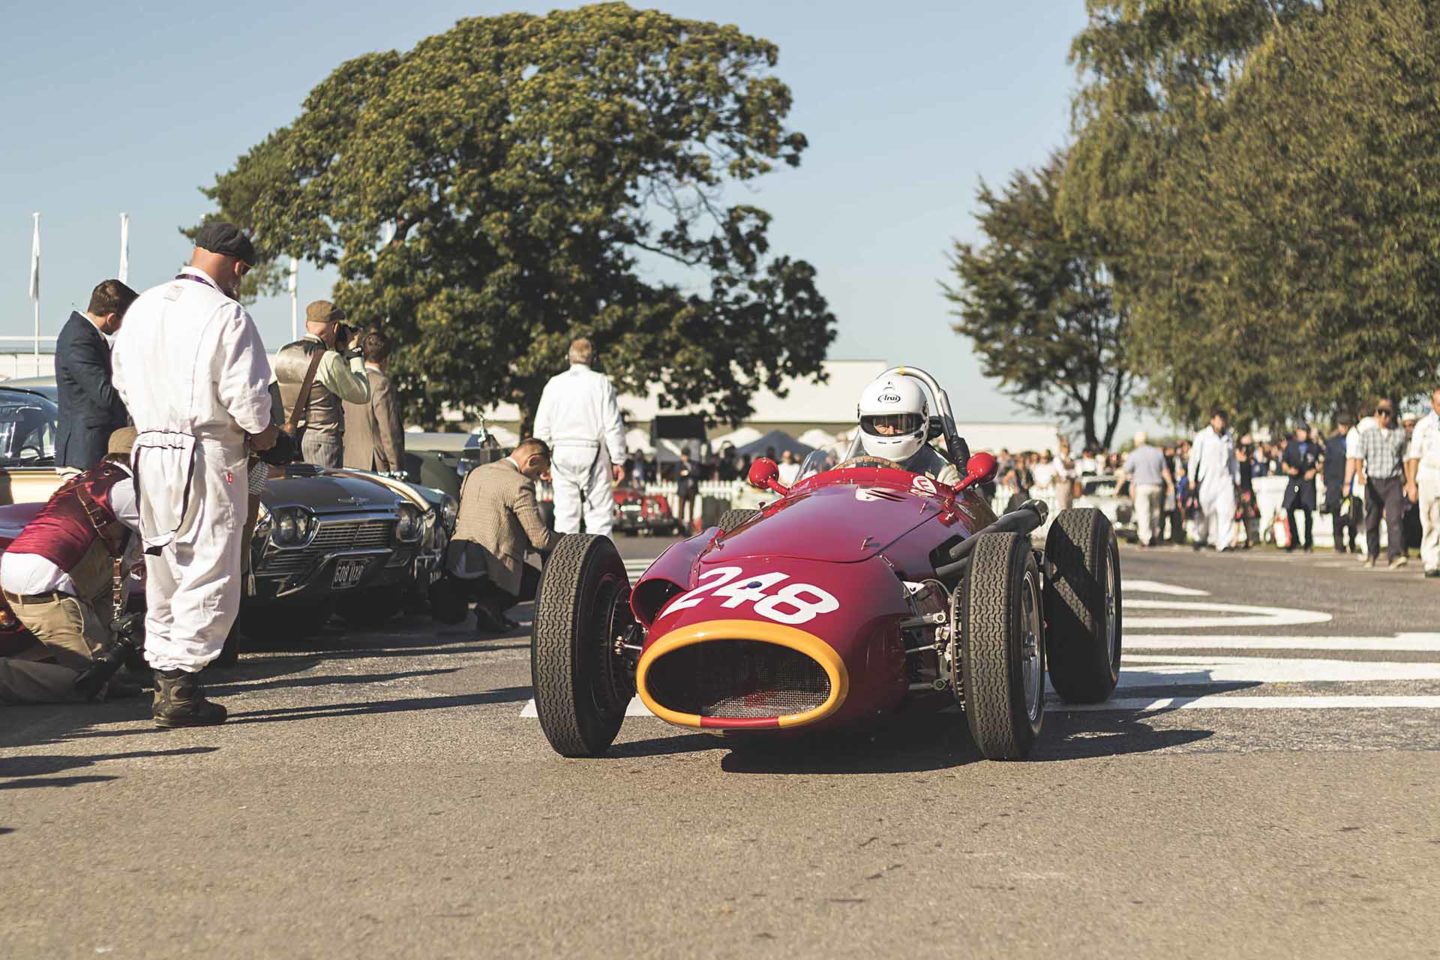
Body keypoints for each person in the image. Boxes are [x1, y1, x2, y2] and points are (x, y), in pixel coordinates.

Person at [111, 221, 278, 727]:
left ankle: (165, 676)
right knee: (210, 563)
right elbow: (247, 399)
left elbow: (120, 376)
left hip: (149, 446)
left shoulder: (142, 307)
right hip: (206, 450)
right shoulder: (226, 313)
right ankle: (182, 684)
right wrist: (265, 434)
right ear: (237, 266)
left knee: (162, 561)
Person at [0, 428, 142, 704]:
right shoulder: (123, 488)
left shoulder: (86, 479)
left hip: (39, 573)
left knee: (112, 674)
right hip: (45, 584)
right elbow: (169, 533)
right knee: (94, 680)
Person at [448, 439, 560, 632]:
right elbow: (540, 539)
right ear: (532, 461)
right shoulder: (520, 484)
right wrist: (566, 539)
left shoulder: (476, 473)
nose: (535, 479)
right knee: (538, 581)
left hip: (456, 560)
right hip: (489, 566)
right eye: (537, 473)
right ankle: (490, 607)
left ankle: (493, 613)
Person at [533, 338, 626, 535]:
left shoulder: (554, 384)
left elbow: (542, 427)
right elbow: (612, 424)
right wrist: (618, 459)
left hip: (561, 451)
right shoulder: (601, 382)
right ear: (593, 358)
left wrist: (543, 460)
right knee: (599, 514)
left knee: (566, 514)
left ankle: (566, 562)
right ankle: (599, 562)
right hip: (592, 449)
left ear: (568, 358)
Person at [55, 279, 137, 476]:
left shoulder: (86, 335)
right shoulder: (79, 338)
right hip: (82, 455)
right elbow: (105, 394)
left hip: (89, 451)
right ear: (111, 318)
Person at [276, 300, 370, 468]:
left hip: (291, 439)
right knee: (324, 492)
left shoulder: (284, 352)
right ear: (334, 327)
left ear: (306, 324)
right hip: (322, 441)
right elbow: (362, 393)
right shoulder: (328, 359)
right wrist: (355, 354)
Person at [855, 375, 959, 484]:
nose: (891, 431)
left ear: (921, 421)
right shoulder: (852, 467)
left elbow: (957, 496)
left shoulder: (941, 471)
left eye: (900, 424)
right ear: (868, 424)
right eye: (883, 424)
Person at [1345, 400, 1409, 569]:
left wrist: (1409, 481)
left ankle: (1395, 555)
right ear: (1376, 414)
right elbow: (1358, 456)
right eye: (1380, 412)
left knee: (1394, 519)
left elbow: (1406, 459)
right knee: (1372, 520)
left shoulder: (1399, 434)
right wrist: (1359, 474)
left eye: (1387, 413)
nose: (1383, 417)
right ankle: (1372, 553)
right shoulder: (1368, 434)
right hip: (1373, 480)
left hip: (1392, 480)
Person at [342, 329, 405, 474]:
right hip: (373, 465)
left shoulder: (348, 380)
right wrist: (397, 469)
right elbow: (388, 431)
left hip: (347, 463)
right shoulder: (381, 384)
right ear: (387, 359)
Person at [1187, 409, 1240, 551]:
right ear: (1212, 420)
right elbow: (1194, 459)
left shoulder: (1229, 437)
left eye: (1223, 420)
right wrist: (1191, 479)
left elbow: (1233, 461)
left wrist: (1236, 479)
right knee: (1205, 509)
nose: (1221, 423)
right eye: (1218, 420)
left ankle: (1224, 542)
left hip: (1225, 479)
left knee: (1226, 510)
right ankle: (1201, 537)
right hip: (1207, 478)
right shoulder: (1203, 437)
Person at [1404, 387, 1440, 578]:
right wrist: (1411, 483)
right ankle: (1431, 561)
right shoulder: (1423, 426)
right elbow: (1414, 456)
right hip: (1428, 476)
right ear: (1433, 404)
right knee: (1429, 520)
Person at [1120, 431, 1172, 547]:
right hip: (1156, 486)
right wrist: (1170, 484)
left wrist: (1117, 488)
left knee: (1143, 512)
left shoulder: (1134, 454)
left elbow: (1125, 472)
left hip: (1142, 486)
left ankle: (1145, 538)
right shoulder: (1157, 453)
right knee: (1155, 512)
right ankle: (1154, 534)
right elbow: (1164, 471)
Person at [1281, 423, 1320, 552]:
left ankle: (1308, 542)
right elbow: (1284, 462)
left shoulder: (1313, 446)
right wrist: (1289, 470)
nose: (1303, 433)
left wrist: (1314, 471)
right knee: (1289, 507)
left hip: (1307, 482)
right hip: (1294, 481)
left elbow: (1322, 461)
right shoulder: (1291, 446)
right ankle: (1294, 538)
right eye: (1301, 431)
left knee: (1307, 511)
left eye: (1305, 431)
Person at [1324, 415, 1357, 553]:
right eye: (1341, 425)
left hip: (1350, 481)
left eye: (1346, 425)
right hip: (1335, 482)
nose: (1343, 428)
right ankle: (1338, 543)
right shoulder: (1332, 443)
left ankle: (1352, 542)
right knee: (1336, 514)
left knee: (1352, 513)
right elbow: (1327, 463)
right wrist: (1327, 482)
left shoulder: (1353, 440)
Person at [675, 449, 699, 526]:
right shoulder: (679, 464)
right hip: (683, 489)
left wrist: (688, 472)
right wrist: (683, 474)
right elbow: (677, 475)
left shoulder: (693, 463)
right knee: (681, 509)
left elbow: (697, 472)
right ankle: (680, 525)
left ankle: (690, 525)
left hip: (691, 488)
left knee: (691, 508)